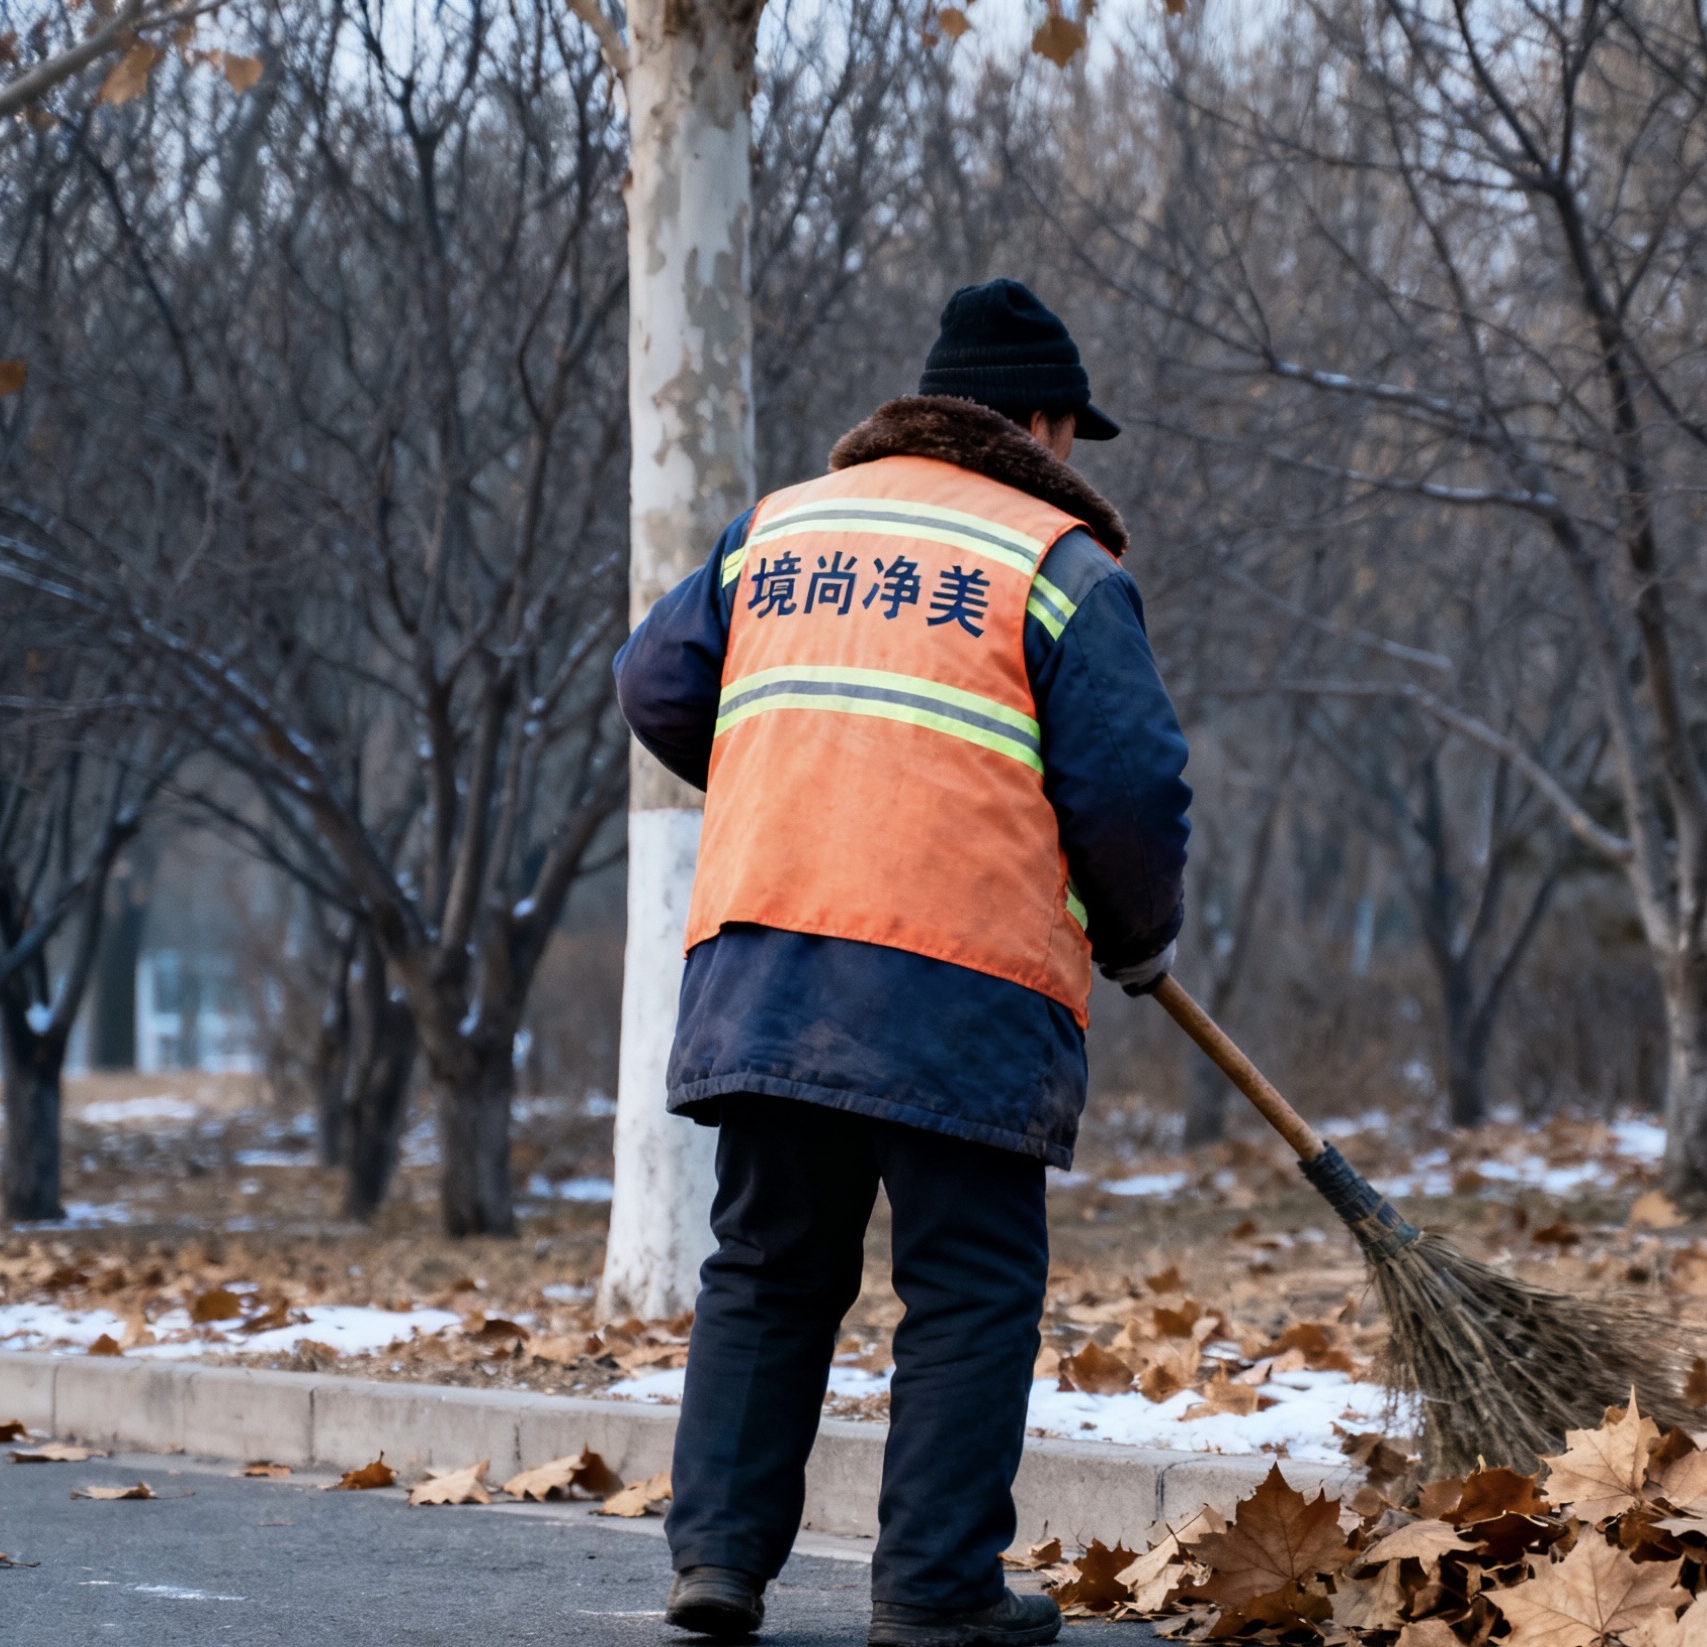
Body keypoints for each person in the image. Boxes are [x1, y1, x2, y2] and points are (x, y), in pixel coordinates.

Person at [613, 278, 1191, 1647]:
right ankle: (932, 1593)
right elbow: (1130, 790)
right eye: (1070, 436)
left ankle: (720, 1566)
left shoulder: (776, 532)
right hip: (961, 976)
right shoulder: (1057, 565)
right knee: (969, 1284)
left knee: (766, 1263)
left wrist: (784, 777)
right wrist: (1134, 933)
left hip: (767, 955)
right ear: (1042, 423)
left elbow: (653, 683)